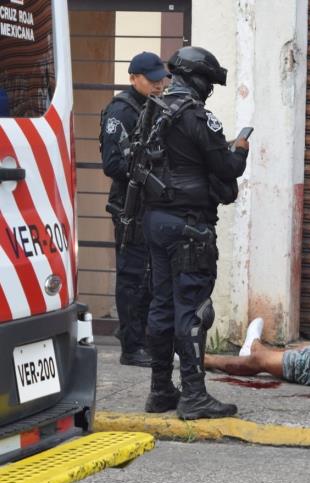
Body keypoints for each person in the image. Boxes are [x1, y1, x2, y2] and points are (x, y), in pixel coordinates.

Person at [141, 46, 249, 420]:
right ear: (200, 79)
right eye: (209, 83)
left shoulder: (152, 109)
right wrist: (241, 150)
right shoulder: (195, 116)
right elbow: (226, 166)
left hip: (156, 221)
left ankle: (159, 390)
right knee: (193, 310)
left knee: (161, 305)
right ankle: (194, 395)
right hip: (189, 225)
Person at [100, 52, 169, 367]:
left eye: (161, 78)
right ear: (133, 78)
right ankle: (131, 347)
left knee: (152, 277)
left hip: (153, 208)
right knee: (132, 277)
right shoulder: (121, 111)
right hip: (130, 207)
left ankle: (139, 335)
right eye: (152, 79)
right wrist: (143, 162)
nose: (159, 84)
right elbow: (112, 164)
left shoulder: (156, 108)